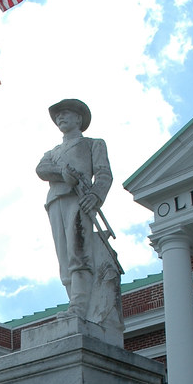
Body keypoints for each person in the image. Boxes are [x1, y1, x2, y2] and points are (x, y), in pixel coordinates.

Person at [36, 98, 123, 334]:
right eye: (58, 116)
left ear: (78, 118)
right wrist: (63, 173)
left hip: (80, 199)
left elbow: (104, 174)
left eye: (65, 113)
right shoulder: (52, 152)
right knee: (63, 256)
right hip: (56, 201)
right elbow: (41, 169)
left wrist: (95, 195)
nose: (60, 118)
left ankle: (79, 306)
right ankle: (73, 302)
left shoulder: (93, 144)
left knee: (78, 251)